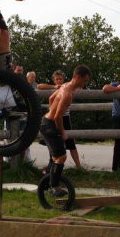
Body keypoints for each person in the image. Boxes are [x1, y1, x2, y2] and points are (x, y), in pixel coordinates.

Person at [40, 65, 91, 197]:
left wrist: (50, 112)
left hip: (47, 122)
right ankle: (54, 187)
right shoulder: (68, 93)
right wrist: (62, 132)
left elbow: (51, 99)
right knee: (61, 156)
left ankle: (48, 184)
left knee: (56, 156)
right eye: (84, 81)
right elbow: (57, 117)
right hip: (50, 124)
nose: (85, 84)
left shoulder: (65, 86)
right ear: (78, 77)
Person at [38, 70, 82, 169]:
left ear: (63, 79)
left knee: (70, 143)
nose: (59, 81)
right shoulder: (61, 88)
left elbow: (50, 99)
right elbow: (40, 87)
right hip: (56, 118)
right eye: (57, 79)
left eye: (60, 79)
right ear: (54, 80)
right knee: (55, 144)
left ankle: (78, 166)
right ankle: (52, 166)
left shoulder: (65, 87)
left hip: (65, 118)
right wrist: (52, 110)